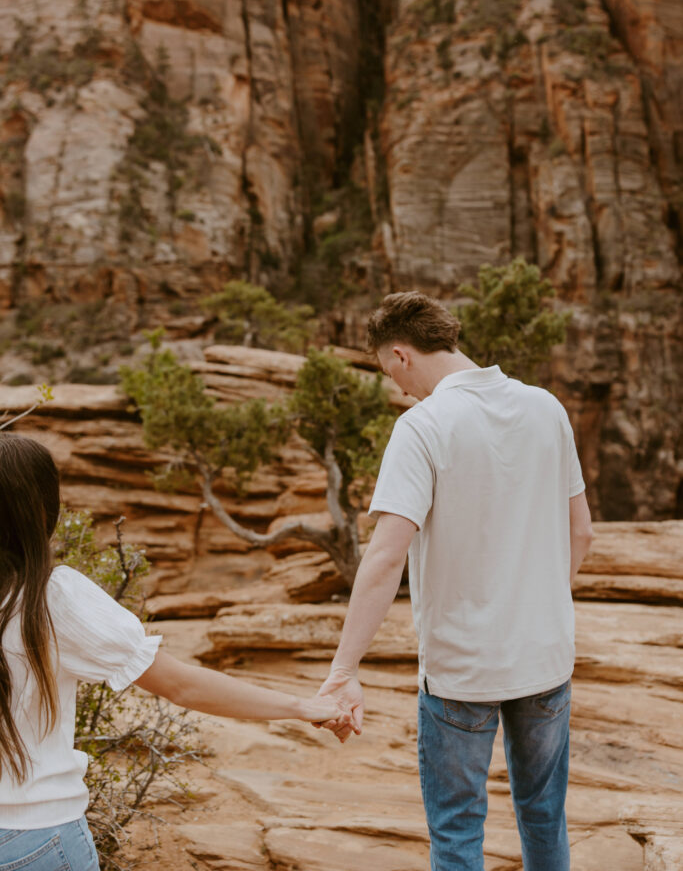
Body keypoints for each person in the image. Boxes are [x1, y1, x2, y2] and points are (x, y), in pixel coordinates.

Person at [317, 290, 593, 871]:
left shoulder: (423, 426)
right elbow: (582, 532)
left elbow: (386, 558)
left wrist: (344, 670)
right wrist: (541, 604)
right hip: (545, 657)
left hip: (462, 670)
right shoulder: (546, 407)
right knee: (545, 816)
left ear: (400, 355)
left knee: (457, 831)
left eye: (389, 372)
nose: (397, 388)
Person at [0, 434, 348, 870]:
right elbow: (182, 686)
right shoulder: (50, 597)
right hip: (36, 835)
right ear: (43, 510)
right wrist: (302, 706)